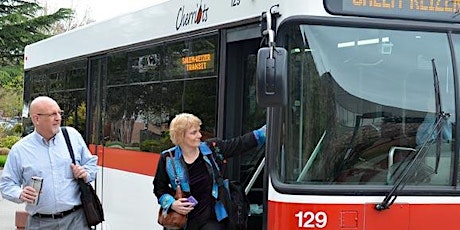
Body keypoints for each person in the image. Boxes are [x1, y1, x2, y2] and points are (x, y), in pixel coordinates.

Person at [153, 113, 266, 230]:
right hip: (182, 221)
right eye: (193, 132)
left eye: (199, 131)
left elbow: (240, 144)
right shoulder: (167, 158)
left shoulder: (212, 148)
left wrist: (267, 130)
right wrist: (172, 204)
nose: (199, 135)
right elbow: (159, 188)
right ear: (181, 136)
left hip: (212, 219)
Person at [0, 96, 98, 230]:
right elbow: (6, 184)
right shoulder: (20, 150)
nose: (58, 118)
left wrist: (85, 173)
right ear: (36, 119)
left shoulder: (72, 136)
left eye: (59, 113)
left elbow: (91, 163)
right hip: (40, 223)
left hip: (76, 221)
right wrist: (19, 193)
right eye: (52, 114)